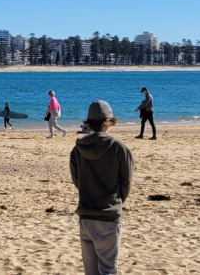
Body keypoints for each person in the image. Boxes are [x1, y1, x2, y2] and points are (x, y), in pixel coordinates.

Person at [70, 100, 134, 275]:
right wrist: (115, 202)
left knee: (91, 272)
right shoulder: (119, 148)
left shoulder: (77, 149)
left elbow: (78, 182)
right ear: (110, 122)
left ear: (89, 122)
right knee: (107, 270)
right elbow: (126, 184)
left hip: (86, 215)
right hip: (108, 216)